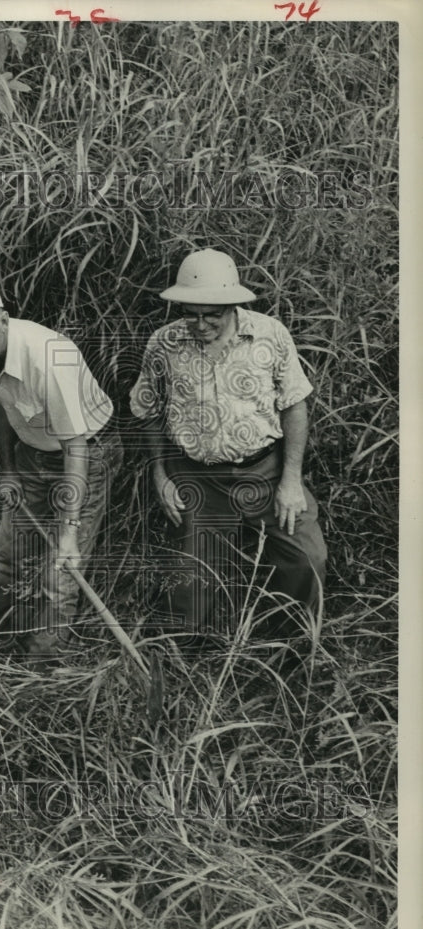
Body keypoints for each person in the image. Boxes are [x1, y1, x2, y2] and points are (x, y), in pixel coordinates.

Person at [129, 248, 327, 641]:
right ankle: (191, 663)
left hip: (266, 472)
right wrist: (160, 470)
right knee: (189, 588)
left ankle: (290, 651)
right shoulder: (164, 343)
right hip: (198, 478)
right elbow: (146, 407)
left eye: (211, 315)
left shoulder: (269, 334)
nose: (199, 324)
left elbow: (294, 406)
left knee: (306, 558)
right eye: (190, 313)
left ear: (233, 304)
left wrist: (290, 479)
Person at [0, 281, 123, 658]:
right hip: (32, 454)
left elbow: (76, 447)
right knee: (9, 554)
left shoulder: (50, 359)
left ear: (3, 320)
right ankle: (2, 642)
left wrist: (68, 530)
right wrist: (8, 471)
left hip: (87, 455)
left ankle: (40, 670)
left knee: (60, 572)